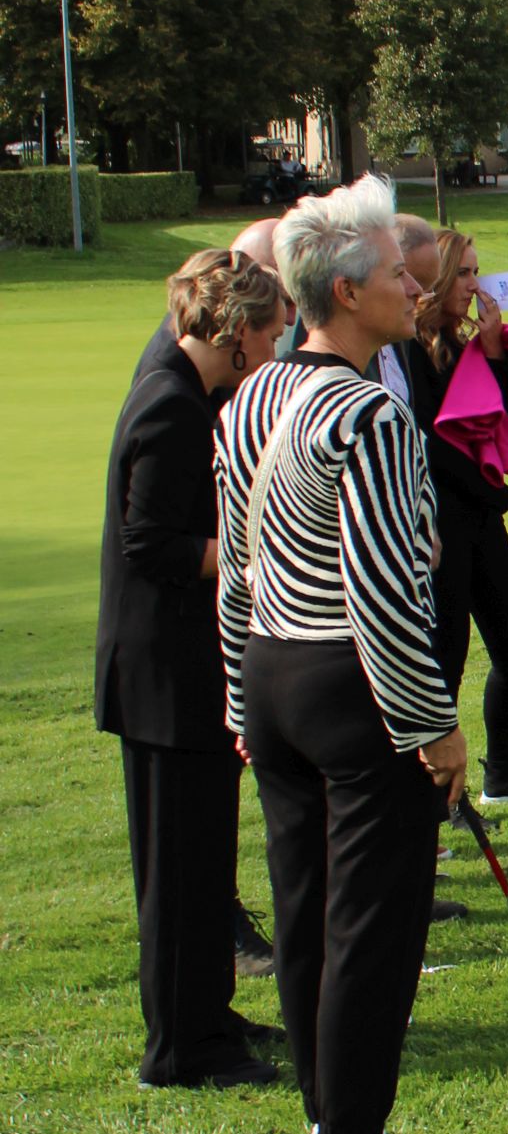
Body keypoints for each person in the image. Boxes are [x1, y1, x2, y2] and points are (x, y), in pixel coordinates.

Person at [216, 176, 468, 1134]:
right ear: (349, 292)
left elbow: (238, 565)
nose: (418, 288)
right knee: (371, 926)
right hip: (351, 685)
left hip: (274, 673)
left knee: (308, 913)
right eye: (400, 275)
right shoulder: (369, 412)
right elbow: (384, 589)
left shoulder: (252, 395)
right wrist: (433, 726)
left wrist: (239, 693)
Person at [96, 250, 288, 1090]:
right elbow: (149, 542)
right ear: (236, 331)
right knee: (178, 868)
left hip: (189, 672)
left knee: (206, 859)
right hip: (162, 680)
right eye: (270, 335)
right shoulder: (170, 403)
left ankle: (209, 1014)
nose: (275, 351)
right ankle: (179, 1048)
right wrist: (250, 557)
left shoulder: (193, 390)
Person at [403, 231, 508, 807]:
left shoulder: (461, 343)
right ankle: (436, 800)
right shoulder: (408, 350)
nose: (475, 285)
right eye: (464, 274)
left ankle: (502, 773)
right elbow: (439, 449)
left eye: (477, 272)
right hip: (441, 524)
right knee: (444, 661)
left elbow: (492, 422)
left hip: (479, 518)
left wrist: (494, 349)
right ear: (437, 280)